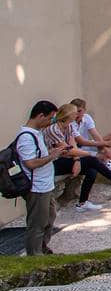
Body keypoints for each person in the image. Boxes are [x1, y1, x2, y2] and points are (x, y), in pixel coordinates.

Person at [47, 105, 111, 210]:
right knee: (92, 160)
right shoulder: (54, 129)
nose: (77, 115)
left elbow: (72, 144)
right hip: (51, 162)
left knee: (91, 170)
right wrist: (90, 154)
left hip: (66, 158)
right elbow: (66, 149)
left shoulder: (69, 126)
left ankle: (82, 203)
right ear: (68, 115)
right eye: (75, 113)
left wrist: (77, 160)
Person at [15, 100, 69, 254]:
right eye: (50, 118)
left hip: (45, 185)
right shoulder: (26, 137)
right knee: (37, 224)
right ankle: (35, 255)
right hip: (36, 187)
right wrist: (52, 156)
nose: (51, 122)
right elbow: (30, 163)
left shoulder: (36, 134)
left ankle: (43, 248)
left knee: (49, 218)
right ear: (40, 116)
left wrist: (56, 153)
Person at [67, 99, 111, 169]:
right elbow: (81, 141)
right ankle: (106, 160)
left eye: (79, 111)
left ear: (84, 110)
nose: (77, 114)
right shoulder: (70, 122)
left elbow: (95, 135)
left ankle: (107, 161)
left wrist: (105, 149)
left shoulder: (87, 117)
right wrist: (107, 143)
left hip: (88, 145)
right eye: (75, 112)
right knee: (101, 151)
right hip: (77, 148)